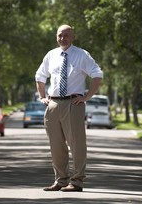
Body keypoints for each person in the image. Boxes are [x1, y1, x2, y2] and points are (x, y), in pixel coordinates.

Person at [35, 24, 103, 192]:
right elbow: (40, 76)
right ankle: (60, 180)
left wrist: (87, 96)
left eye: (66, 35)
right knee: (56, 145)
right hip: (53, 104)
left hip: (73, 103)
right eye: (60, 35)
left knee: (76, 144)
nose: (62, 38)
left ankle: (77, 181)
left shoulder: (81, 55)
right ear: (56, 37)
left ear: (72, 37)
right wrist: (42, 97)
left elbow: (97, 74)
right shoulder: (51, 55)